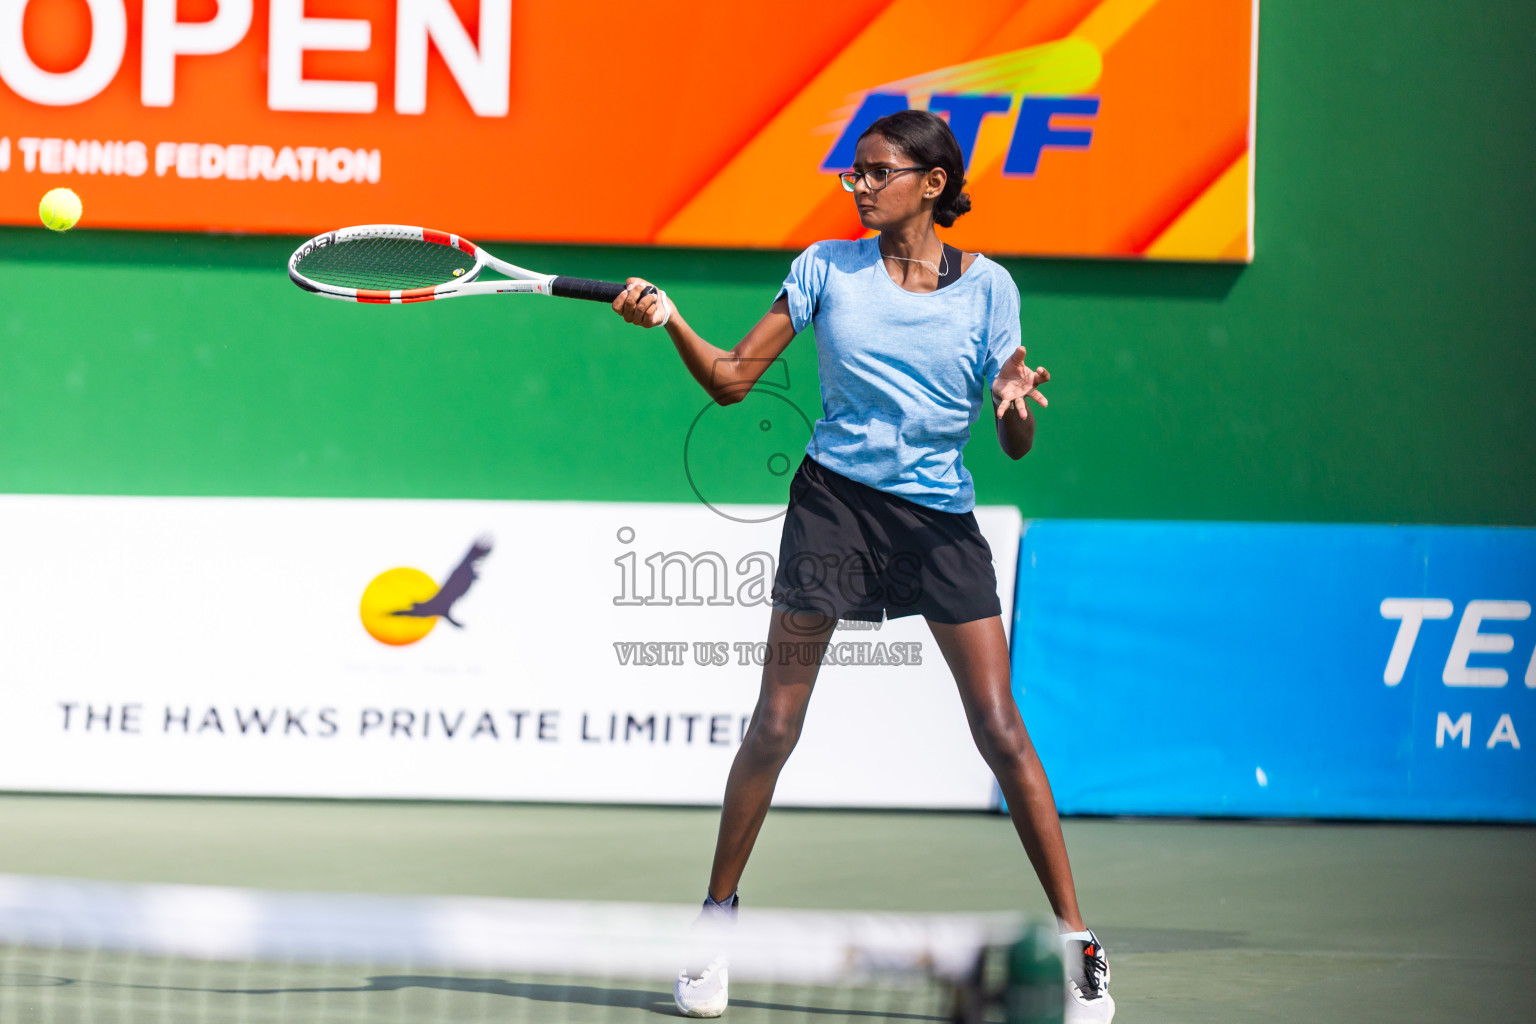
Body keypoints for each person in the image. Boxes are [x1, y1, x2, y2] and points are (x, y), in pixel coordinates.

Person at [610, 109, 1113, 1024]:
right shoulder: (822, 269)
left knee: (1001, 727)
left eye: (878, 172)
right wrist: (672, 319)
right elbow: (730, 381)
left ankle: (1078, 942)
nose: (861, 185)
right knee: (775, 723)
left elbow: (1017, 436)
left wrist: (1011, 403)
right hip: (834, 509)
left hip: (938, 524)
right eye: (855, 173)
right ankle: (714, 923)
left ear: (931, 183)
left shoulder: (990, 289)